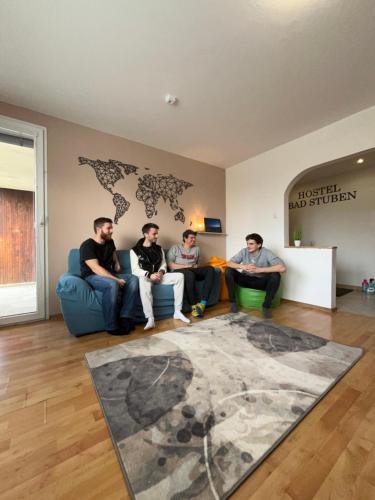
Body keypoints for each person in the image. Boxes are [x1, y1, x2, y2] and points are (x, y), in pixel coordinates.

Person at [80, 217, 139, 335]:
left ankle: (125, 318)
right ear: (98, 229)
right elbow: (95, 268)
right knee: (112, 284)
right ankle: (111, 327)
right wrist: (116, 279)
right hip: (92, 276)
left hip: (109, 273)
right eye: (108, 228)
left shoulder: (110, 242)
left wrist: (116, 262)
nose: (112, 230)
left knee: (133, 278)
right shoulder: (87, 245)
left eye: (112, 228)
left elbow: (113, 252)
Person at [130, 223, 190, 330]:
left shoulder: (159, 248)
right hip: (147, 277)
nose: (157, 236)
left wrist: (161, 272)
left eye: (157, 234)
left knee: (179, 276)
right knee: (142, 280)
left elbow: (163, 264)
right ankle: (150, 318)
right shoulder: (134, 250)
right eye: (154, 234)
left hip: (159, 276)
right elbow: (135, 270)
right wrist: (149, 275)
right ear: (146, 234)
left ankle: (177, 311)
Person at [225, 233, 286, 318]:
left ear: (259, 245)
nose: (248, 246)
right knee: (228, 270)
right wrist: (243, 266)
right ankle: (233, 303)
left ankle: (266, 307)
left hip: (261, 282)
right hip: (246, 279)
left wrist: (259, 269)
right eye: (247, 243)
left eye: (251, 244)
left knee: (276, 275)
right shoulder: (244, 251)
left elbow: (282, 268)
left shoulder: (266, 252)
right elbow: (229, 263)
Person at [167, 229, 215, 317]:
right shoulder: (175, 248)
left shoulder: (196, 249)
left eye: (194, 238)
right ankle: (193, 306)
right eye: (191, 238)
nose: (194, 240)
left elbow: (198, 263)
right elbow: (171, 265)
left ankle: (202, 304)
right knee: (189, 274)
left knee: (210, 269)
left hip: (192, 269)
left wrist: (198, 265)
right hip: (179, 271)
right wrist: (186, 266)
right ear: (185, 238)